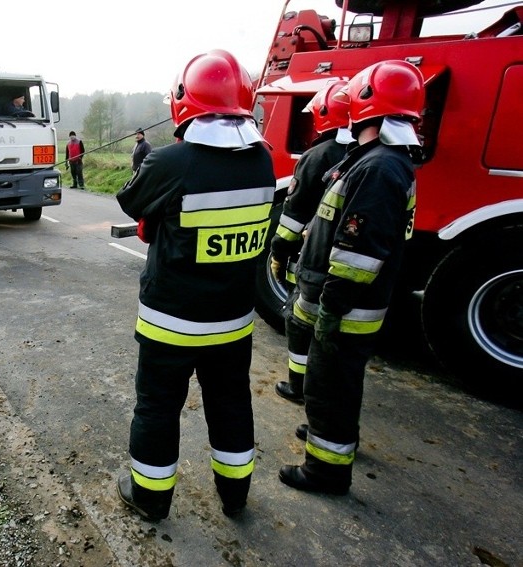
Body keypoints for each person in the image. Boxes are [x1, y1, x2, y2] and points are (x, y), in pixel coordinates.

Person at [115, 49, 275, 521]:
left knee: (158, 409)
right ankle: (236, 496)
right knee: (231, 405)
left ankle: (150, 498)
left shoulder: (170, 161)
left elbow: (131, 204)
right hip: (233, 323)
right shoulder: (263, 162)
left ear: (184, 101)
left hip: (171, 322)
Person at [279, 60, 424, 495]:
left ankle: (325, 471)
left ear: (364, 106)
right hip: (354, 301)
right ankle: (336, 439)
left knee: (329, 385)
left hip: (346, 304)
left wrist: (333, 304)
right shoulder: (381, 161)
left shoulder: (378, 168)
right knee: (339, 382)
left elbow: (359, 250)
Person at [269, 80, 352, 404]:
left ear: (323, 114)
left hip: (315, 255)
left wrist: (279, 250)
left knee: (299, 320)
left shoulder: (318, 154)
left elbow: (295, 213)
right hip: (348, 260)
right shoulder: (364, 153)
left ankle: (298, 385)